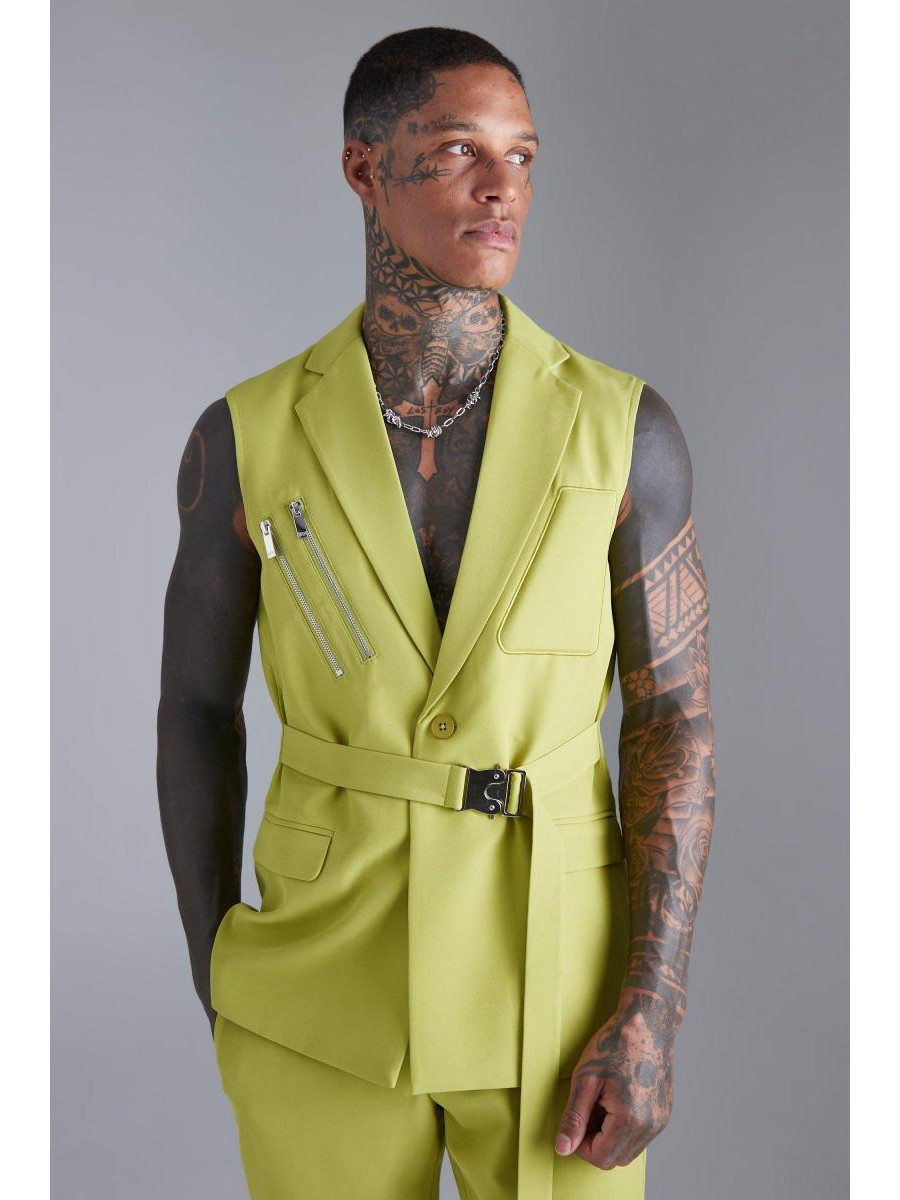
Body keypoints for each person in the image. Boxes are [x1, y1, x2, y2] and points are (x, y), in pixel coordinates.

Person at [157, 25, 716, 1200]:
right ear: (364, 167)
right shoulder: (245, 436)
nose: (503, 186)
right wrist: (217, 960)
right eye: (461, 150)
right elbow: (197, 709)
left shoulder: (626, 430)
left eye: (523, 156)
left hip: (560, 982)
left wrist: (651, 1005)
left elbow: (675, 720)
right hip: (319, 971)